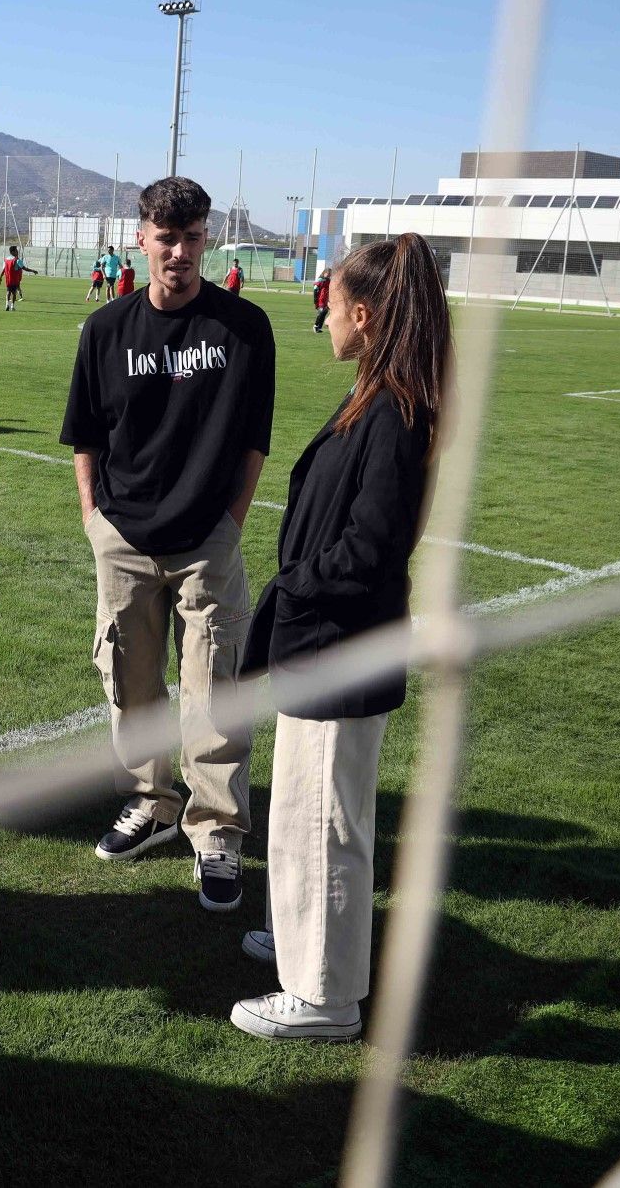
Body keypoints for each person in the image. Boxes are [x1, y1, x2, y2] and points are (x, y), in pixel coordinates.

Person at [231, 232, 449, 1041]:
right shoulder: (379, 390)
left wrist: (296, 583)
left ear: (362, 312)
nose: (320, 312)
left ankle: (322, 997)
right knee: (304, 814)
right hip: (323, 639)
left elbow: (373, 545)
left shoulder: (395, 410)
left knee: (323, 825)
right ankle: (302, 942)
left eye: (329, 298)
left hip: (339, 645)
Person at [59, 176, 274, 913]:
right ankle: (150, 801)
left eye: (190, 237)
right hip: (122, 534)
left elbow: (253, 441)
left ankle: (216, 828)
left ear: (206, 238)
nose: (177, 251)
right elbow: (85, 435)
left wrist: (231, 522)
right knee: (130, 676)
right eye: (164, 236)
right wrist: (95, 519)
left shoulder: (244, 328)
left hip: (206, 538)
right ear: (141, 238)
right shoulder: (105, 330)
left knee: (213, 685)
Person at [0, 245, 35, 310]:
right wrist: (33, 271)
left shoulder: (6, 259)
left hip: (8, 279)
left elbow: (4, 269)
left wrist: (1, 277)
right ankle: (12, 306)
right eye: (16, 250)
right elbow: (24, 268)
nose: (17, 252)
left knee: (8, 292)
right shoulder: (17, 260)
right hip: (15, 279)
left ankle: (7, 305)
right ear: (13, 252)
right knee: (14, 293)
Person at [312, 267, 332, 333]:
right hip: (320, 299)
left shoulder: (329, 281)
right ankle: (315, 326)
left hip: (326, 299)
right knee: (321, 312)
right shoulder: (320, 280)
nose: (329, 275)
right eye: (328, 273)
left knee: (324, 313)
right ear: (324, 273)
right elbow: (315, 289)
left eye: (330, 274)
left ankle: (319, 327)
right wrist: (315, 300)